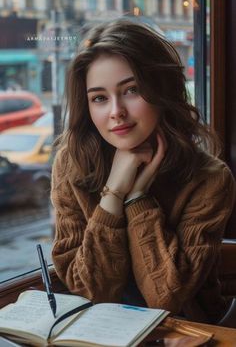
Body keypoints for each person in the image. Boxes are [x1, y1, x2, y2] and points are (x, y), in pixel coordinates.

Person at [51, 19, 235, 324]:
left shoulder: (210, 178)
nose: (115, 111)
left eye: (131, 90)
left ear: (162, 91)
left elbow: (165, 296)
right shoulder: (71, 164)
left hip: (186, 335)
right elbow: (91, 293)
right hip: (99, 337)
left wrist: (137, 198)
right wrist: (114, 192)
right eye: (99, 98)